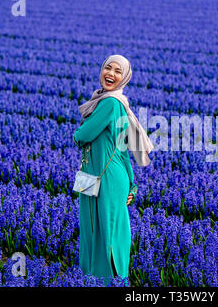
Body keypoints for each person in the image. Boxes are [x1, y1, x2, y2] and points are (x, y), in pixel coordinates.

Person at [73, 54, 153, 285]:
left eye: (118, 71)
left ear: (125, 77)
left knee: (105, 230)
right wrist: (132, 184)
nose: (111, 74)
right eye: (108, 68)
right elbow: (122, 149)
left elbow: (82, 136)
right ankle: (95, 278)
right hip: (92, 175)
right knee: (92, 226)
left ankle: (108, 280)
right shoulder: (108, 101)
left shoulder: (109, 103)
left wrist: (80, 132)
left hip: (104, 177)